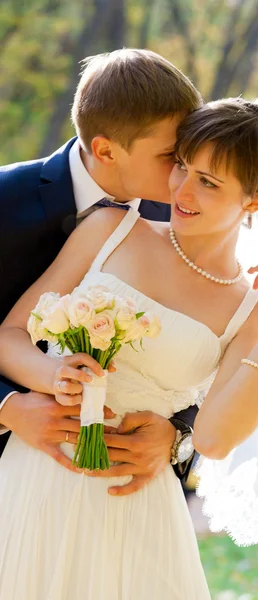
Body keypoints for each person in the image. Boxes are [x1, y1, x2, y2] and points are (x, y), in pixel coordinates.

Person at [0, 97, 258, 599]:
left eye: (210, 182)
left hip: (132, 501)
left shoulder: (253, 309)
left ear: (256, 202)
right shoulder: (111, 229)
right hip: (36, 475)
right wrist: (54, 377)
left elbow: (215, 439)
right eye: (183, 166)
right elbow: (10, 335)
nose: (182, 188)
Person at [0, 48, 203, 491]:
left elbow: (208, 345)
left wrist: (179, 437)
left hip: (126, 492)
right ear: (106, 149)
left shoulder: (185, 221)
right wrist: (6, 407)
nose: (184, 172)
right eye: (171, 155)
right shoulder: (5, 200)